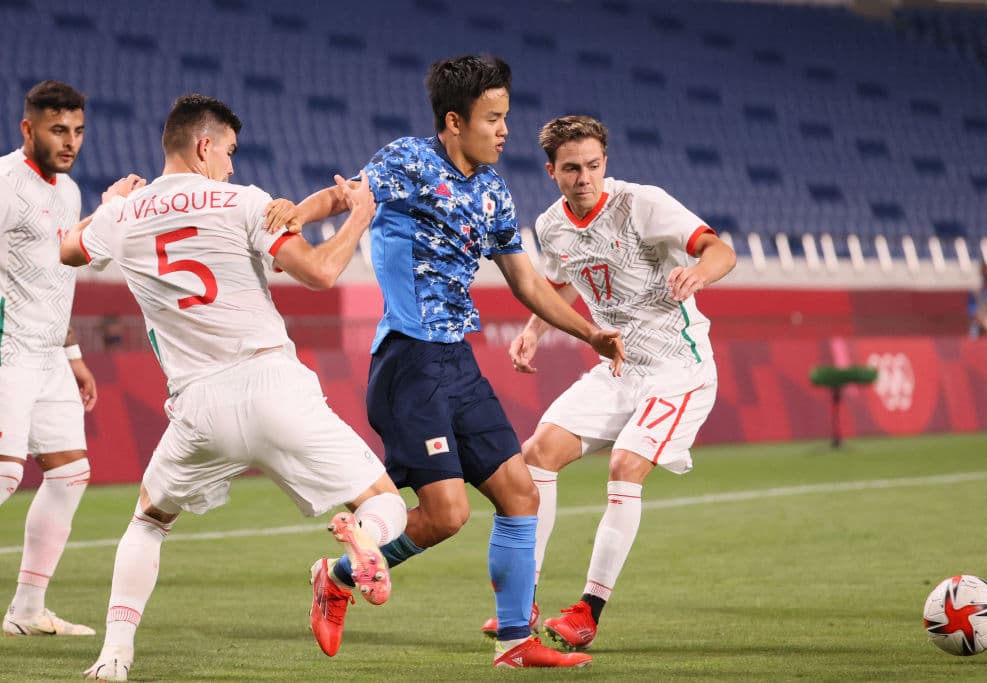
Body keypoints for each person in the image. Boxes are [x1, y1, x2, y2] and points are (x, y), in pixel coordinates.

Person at [59, 94, 408, 681]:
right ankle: (361, 538)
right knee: (385, 502)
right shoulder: (244, 202)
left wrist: (107, 204)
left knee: (148, 521)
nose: (232, 165)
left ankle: (114, 655)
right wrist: (359, 215)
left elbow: (68, 250)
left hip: (197, 406)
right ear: (204, 146)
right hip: (274, 385)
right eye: (229, 152)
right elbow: (322, 273)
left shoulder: (125, 214)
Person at [296, 56, 625, 668]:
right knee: (447, 516)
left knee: (520, 494)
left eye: (505, 116)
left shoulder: (494, 190)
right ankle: (338, 577)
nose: (504, 130)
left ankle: (514, 644)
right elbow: (346, 196)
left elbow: (526, 281)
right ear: (454, 120)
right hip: (408, 364)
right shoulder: (409, 161)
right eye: (492, 118)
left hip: (458, 365)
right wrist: (297, 214)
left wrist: (590, 334)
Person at [485, 115, 736, 651]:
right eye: (571, 168)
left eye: (593, 166)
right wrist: (532, 328)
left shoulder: (642, 203)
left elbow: (720, 249)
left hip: (678, 370)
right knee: (536, 454)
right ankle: (522, 600)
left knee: (625, 465)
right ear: (552, 170)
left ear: (606, 164)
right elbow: (558, 276)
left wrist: (700, 273)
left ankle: (588, 610)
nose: (584, 178)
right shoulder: (551, 224)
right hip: (620, 368)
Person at [0, 80, 99, 638]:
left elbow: (59, 281)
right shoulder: (4, 183)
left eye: (78, 131)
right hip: (7, 349)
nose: (70, 142)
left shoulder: (70, 193)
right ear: (28, 128)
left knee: (69, 474)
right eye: (58, 130)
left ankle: (27, 610)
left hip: (49, 354)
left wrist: (74, 353)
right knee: (5, 474)